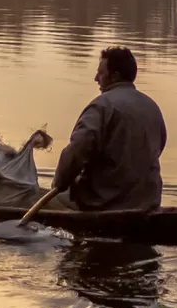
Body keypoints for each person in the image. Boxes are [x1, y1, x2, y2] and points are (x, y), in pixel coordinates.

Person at [53, 46, 166, 213]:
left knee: (56, 199)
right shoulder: (152, 107)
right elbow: (159, 146)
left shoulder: (101, 106)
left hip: (105, 201)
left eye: (100, 73)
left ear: (114, 76)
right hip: (148, 200)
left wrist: (60, 183)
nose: (96, 78)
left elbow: (77, 151)